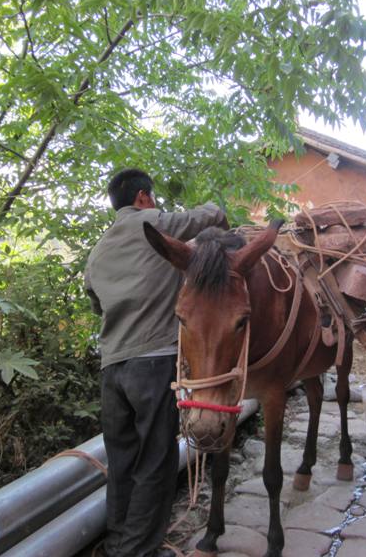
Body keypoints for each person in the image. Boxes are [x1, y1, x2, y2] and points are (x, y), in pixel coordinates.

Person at [84, 168, 227, 557]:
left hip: (112, 370)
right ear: (143, 197)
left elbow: (96, 304)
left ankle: (118, 543)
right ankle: (139, 551)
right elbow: (202, 218)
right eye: (153, 198)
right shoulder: (152, 223)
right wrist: (219, 209)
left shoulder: (98, 251)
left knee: (123, 462)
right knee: (156, 463)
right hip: (152, 365)